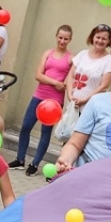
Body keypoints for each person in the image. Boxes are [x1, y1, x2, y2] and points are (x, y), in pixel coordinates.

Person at [12, 24, 73, 175]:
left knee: (45, 132)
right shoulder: (47, 53)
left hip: (54, 102)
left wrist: (61, 85)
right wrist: (54, 83)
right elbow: (38, 75)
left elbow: (68, 82)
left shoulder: (71, 59)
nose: (62, 41)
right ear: (56, 36)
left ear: (70, 40)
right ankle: (20, 159)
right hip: (39, 95)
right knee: (26, 126)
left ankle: (35, 164)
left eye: (66, 39)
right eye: (60, 37)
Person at [58, 23, 111, 140]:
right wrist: (70, 95)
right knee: (67, 136)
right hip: (74, 105)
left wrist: (85, 99)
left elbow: (104, 86)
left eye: (104, 38)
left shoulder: (109, 61)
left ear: (109, 41)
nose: (100, 41)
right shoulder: (82, 54)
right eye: (98, 37)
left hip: (91, 107)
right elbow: (71, 76)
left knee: (80, 139)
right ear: (92, 37)